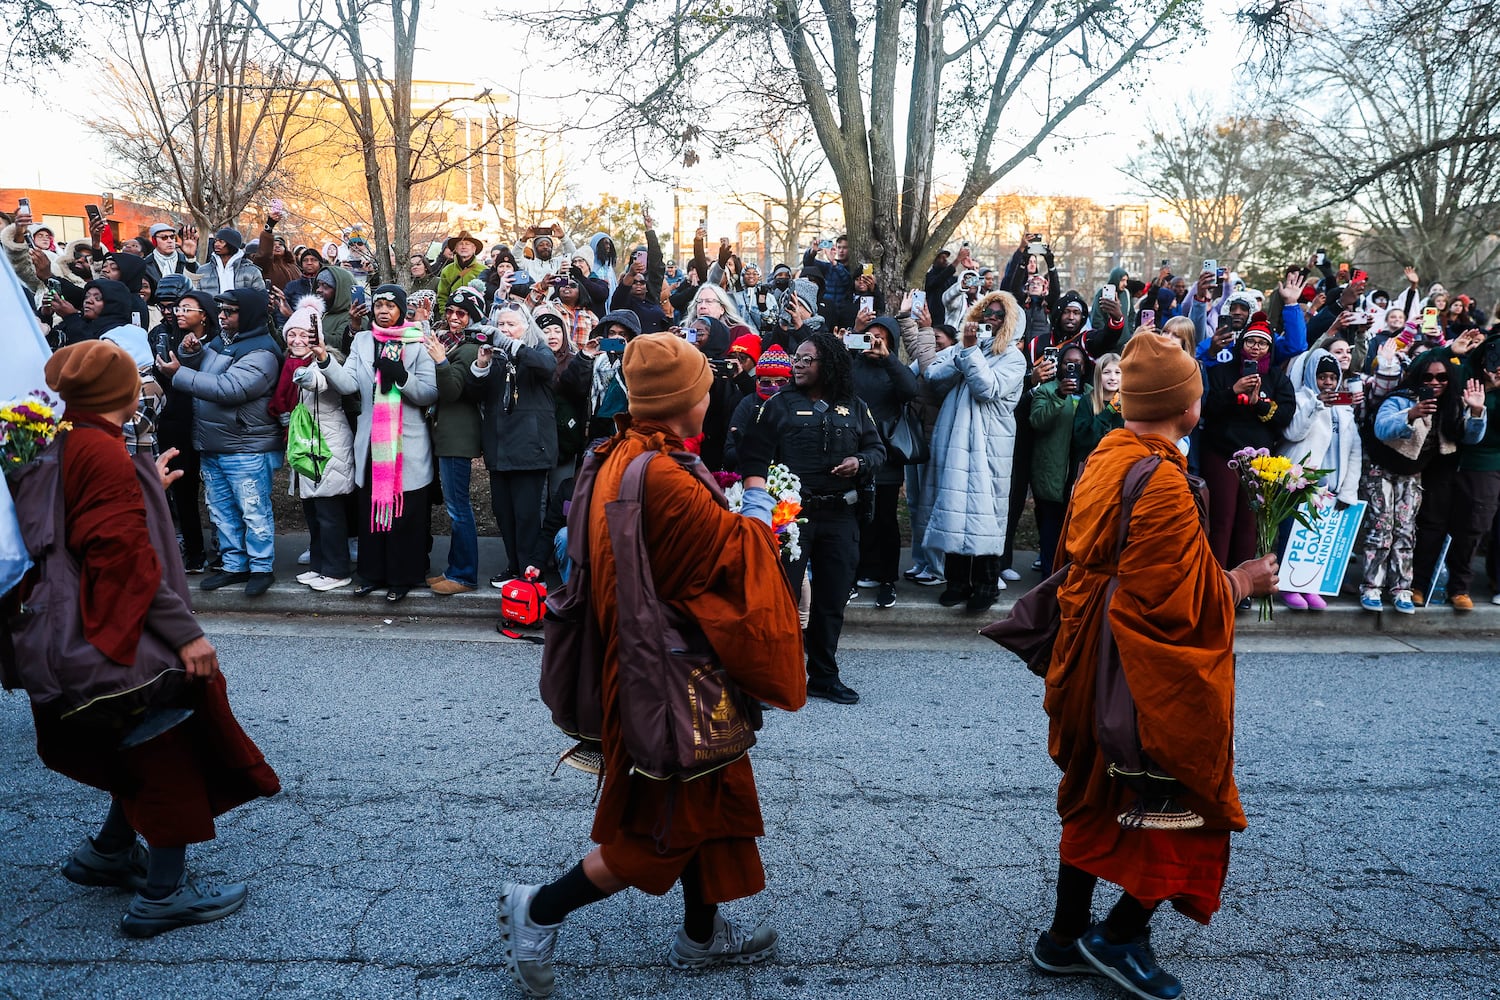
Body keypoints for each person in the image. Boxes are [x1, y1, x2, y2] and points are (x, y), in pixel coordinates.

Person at [497, 332, 805, 999]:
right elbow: (740, 558)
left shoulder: (618, 453)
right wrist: (757, 490)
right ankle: (540, 908)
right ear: (677, 401)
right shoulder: (665, 476)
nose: (712, 396)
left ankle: (701, 937)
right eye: (702, 388)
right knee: (664, 824)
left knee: (711, 798)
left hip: (642, 656)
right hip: (669, 675)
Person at [1028, 332, 1279, 1000]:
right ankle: (1120, 934)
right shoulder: (1161, 479)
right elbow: (1179, 602)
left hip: (1089, 655)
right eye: (1195, 391)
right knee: (1179, 794)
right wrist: (1245, 582)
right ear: (1184, 405)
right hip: (1136, 666)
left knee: (1096, 791)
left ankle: (1063, 938)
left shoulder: (1109, 454)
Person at [37, 340, 280, 938]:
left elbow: (87, 518)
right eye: (132, 378)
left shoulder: (70, 439)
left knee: (139, 743)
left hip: (97, 629)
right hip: (125, 632)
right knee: (168, 745)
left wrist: (145, 480)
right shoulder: (102, 452)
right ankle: (161, 896)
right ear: (118, 391)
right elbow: (121, 557)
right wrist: (185, 634)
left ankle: (109, 852)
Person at [739, 331, 884, 705]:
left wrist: (861, 462)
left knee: (832, 599)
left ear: (829, 364)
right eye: (796, 358)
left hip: (840, 516)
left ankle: (823, 675)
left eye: (806, 359)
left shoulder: (854, 406)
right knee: (780, 598)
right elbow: (753, 456)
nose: (797, 365)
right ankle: (770, 677)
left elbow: (877, 448)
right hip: (792, 519)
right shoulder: (778, 405)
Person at [156, 288, 284, 597]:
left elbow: (230, 388)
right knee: (221, 510)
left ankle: (261, 567)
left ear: (249, 315)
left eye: (230, 311)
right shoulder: (224, 342)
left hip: (246, 446)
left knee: (252, 510)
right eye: (222, 310)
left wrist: (179, 373)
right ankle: (234, 565)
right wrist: (190, 353)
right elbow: (207, 369)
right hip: (215, 443)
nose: (222, 316)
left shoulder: (262, 352)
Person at [314, 284, 439, 602]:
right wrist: (326, 360)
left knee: (404, 515)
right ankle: (371, 574)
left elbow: (429, 393)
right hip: (371, 443)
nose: (383, 310)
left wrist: (401, 377)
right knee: (372, 512)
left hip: (406, 446)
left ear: (401, 310)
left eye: (390, 305)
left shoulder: (417, 342)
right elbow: (347, 385)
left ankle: (402, 578)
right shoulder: (363, 340)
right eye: (378, 304)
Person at [1358, 346, 1485, 613]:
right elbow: (1382, 428)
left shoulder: (1452, 404)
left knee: (1406, 531)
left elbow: (1469, 437)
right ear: (1418, 377)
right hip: (1381, 468)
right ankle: (1372, 587)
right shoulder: (1401, 398)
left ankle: (1402, 588)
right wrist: (1410, 414)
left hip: (1412, 473)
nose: (1434, 383)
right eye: (1428, 378)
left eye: (1441, 378)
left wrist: (1475, 412)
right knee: (1381, 528)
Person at [922, 292, 1026, 612]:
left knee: (986, 513)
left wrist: (969, 354)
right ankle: (956, 583)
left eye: (998, 315)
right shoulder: (968, 347)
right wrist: (965, 352)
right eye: (986, 313)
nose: (990, 319)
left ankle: (985, 585)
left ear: (1009, 323)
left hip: (989, 446)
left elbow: (988, 389)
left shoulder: (1013, 358)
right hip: (955, 444)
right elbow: (932, 376)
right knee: (954, 509)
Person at [466, 301, 559, 586]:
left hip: (530, 448)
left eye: (511, 325)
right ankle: (514, 565)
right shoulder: (495, 357)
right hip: (499, 448)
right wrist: (481, 365)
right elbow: (473, 394)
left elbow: (547, 366)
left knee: (527, 514)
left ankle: (530, 571)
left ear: (525, 327)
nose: (505, 330)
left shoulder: (537, 350)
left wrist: (510, 345)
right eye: (501, 324)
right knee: (504, 513)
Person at [1200, 315, 1296, 575]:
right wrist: (1233, 391)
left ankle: (1243, 582)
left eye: (1261, 344)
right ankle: (1216, 580)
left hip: (1259, 462)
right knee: (1222, 518)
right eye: (1250, 342)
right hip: (1222, 453)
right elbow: (1206, 409)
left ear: (1269, 349)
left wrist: (1259, 403)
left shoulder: (1277, 379)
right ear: (1241, 344)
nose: (1255, 347)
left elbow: (1285, 416)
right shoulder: (1221, 372)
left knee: (1249, 521)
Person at [1277, 349, 1363, 611]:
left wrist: (1349, 491)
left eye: (1331, 377)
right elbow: (1292, 432)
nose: (1327, 382)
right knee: (1293, 537)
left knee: (1317, 542)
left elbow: (1354, 450)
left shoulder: (1345, 409)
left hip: (1331, 487)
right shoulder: (1302, 398)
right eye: (1322, 376)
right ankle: (1287, 586)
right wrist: (1317, 405)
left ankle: (1310, 586)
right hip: (1301, 481)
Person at [279, 299, 356, 591]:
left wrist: (305, 374)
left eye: (304, 335)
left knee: (329, 513)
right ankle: (319, 566)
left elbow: (321, 382)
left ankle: (337, 570)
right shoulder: (292, 363)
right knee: (313, 512)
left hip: (329, 449)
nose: (297, 340)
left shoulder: (324, 361)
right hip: (309, 449)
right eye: (292, 335)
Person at [423, 286, 488, 595]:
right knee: (454, 507)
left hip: (457, 438)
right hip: (447, 435)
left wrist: (440, 361)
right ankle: (454, 568)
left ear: (472, 317)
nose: (453, 317)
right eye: (449, 311)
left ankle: (464, 575)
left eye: (461, 313)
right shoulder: (455, 345)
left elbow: (452, 392)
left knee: (458, 508)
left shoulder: (469, 348)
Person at [850, 314, 918, 608]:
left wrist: (888, 357)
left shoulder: (894, 368)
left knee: (885, 518)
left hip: (887, 454)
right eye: (869, 335)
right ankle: (856, 572)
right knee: (854, 516)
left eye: (881, 336)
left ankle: (887, 578)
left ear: (891, 341)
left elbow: (910, 390)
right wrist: (850, 337)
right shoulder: (852, 366)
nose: (873, 341)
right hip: (854, 451)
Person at [1439, 339, 1500, 611]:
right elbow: (1423, 370)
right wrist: (1446, 351)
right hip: (1478, 462)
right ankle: (1458, 587)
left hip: (1490, 459)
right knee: (1474, 524)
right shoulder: (1467, 374)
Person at [1029, 343, 1092, 576]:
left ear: (1084, 367)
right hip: (1052, 471)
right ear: (1060, 365)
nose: (1072, 366)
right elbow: (1037, 421)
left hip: (1081, 473)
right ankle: (1049, 577)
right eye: (1068, 362)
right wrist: (1059, 396)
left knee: (1076, 529)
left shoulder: (1090, 394)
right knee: (1051, 527)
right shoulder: (1047, 390)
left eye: (1078, 363)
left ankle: (1071, 577)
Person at [196, 227, 265, 298]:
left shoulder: (252, 272)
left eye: (221, 241)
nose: (216, 244)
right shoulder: (203, 270)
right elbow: (196, 298)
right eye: (216, 241)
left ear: (231, 244)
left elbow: (260, 299)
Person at [437, 231, 485, 311]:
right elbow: (442, 296)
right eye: (460, 244)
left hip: (476, 315)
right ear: (455, 249)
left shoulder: (483, 270)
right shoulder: (447, 270)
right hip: (453, 315)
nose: (463, 247)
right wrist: (444, 314)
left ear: (474, 249)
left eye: (467, 244)